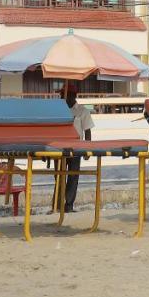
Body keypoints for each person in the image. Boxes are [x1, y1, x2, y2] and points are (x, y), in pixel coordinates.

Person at [62, 85, 95, 213]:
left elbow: (87, 131)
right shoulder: (59, 109)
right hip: (61, 148)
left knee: (73, 177)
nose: (63, 97)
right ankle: (58, 204)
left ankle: (69, 205)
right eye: (62, 95)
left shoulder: (83, 111)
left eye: (66, 95)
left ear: (73, 96)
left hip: (77, 149)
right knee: (58, 177)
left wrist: (88, 149)